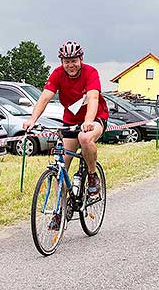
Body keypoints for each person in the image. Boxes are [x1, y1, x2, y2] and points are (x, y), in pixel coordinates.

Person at [23, 40, 109, 228]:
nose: (70, 65)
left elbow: (93, 97)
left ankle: (93, 176)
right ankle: (59, 211)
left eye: (74, 60)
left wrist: (88, 121)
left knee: (85, 138)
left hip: (94, 118)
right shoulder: (57, 74)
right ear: (62, 61)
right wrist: (32, 120)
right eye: (66, 61)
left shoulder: (90, 72)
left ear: (81, 59)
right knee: (62, 166)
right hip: (70, 121)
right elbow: (45, 97)